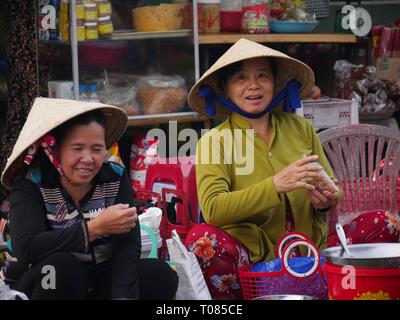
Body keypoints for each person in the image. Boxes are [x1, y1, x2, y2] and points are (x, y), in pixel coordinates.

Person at [185, 38, 340, 299]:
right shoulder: (214, 141)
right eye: (241, 78)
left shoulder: (300, 128)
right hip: (253, 261)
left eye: (262, 76)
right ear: (226, 89)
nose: (253, 85)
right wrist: (275, 186)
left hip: (310, 252)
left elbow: (331, 186)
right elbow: (213, 209)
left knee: (384, 221)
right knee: (203, 241)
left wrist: (327, 199)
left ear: (274, 84)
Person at [0, 97, 178, 300]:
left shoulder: (114, 177)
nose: (88, 159)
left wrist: (123, 298)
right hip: (45, 284)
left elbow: (126, 246)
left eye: (96, 149)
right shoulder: (31, 182)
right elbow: (27, 248)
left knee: (159, 274)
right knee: (61, 267)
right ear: (55, 149)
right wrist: (94, 229)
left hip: (96, 280)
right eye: (77, 148)